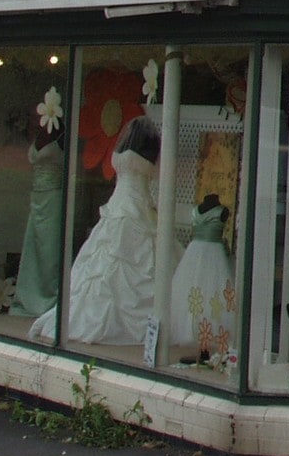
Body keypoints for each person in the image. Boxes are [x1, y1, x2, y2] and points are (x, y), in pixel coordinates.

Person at [29, 115, 160, 345]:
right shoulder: (143, 157)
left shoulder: (121, 154)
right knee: (116, 266)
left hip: (123, 207)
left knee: (104, 267)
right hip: (131, 209)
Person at [10, 118, 66, 319]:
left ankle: (48, 297)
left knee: (49, 250)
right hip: (37, 197)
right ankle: (28, 296)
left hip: (53, 197)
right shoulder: (41, 135)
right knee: (33, 248)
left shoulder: (62, 136)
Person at [168, 193, 235, 359]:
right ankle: (196, 334)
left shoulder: (220, 211)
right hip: (205, 253)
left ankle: (208, 338)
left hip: (204, 253)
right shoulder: (199, 210)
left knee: (211, 294)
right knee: (196, 293)